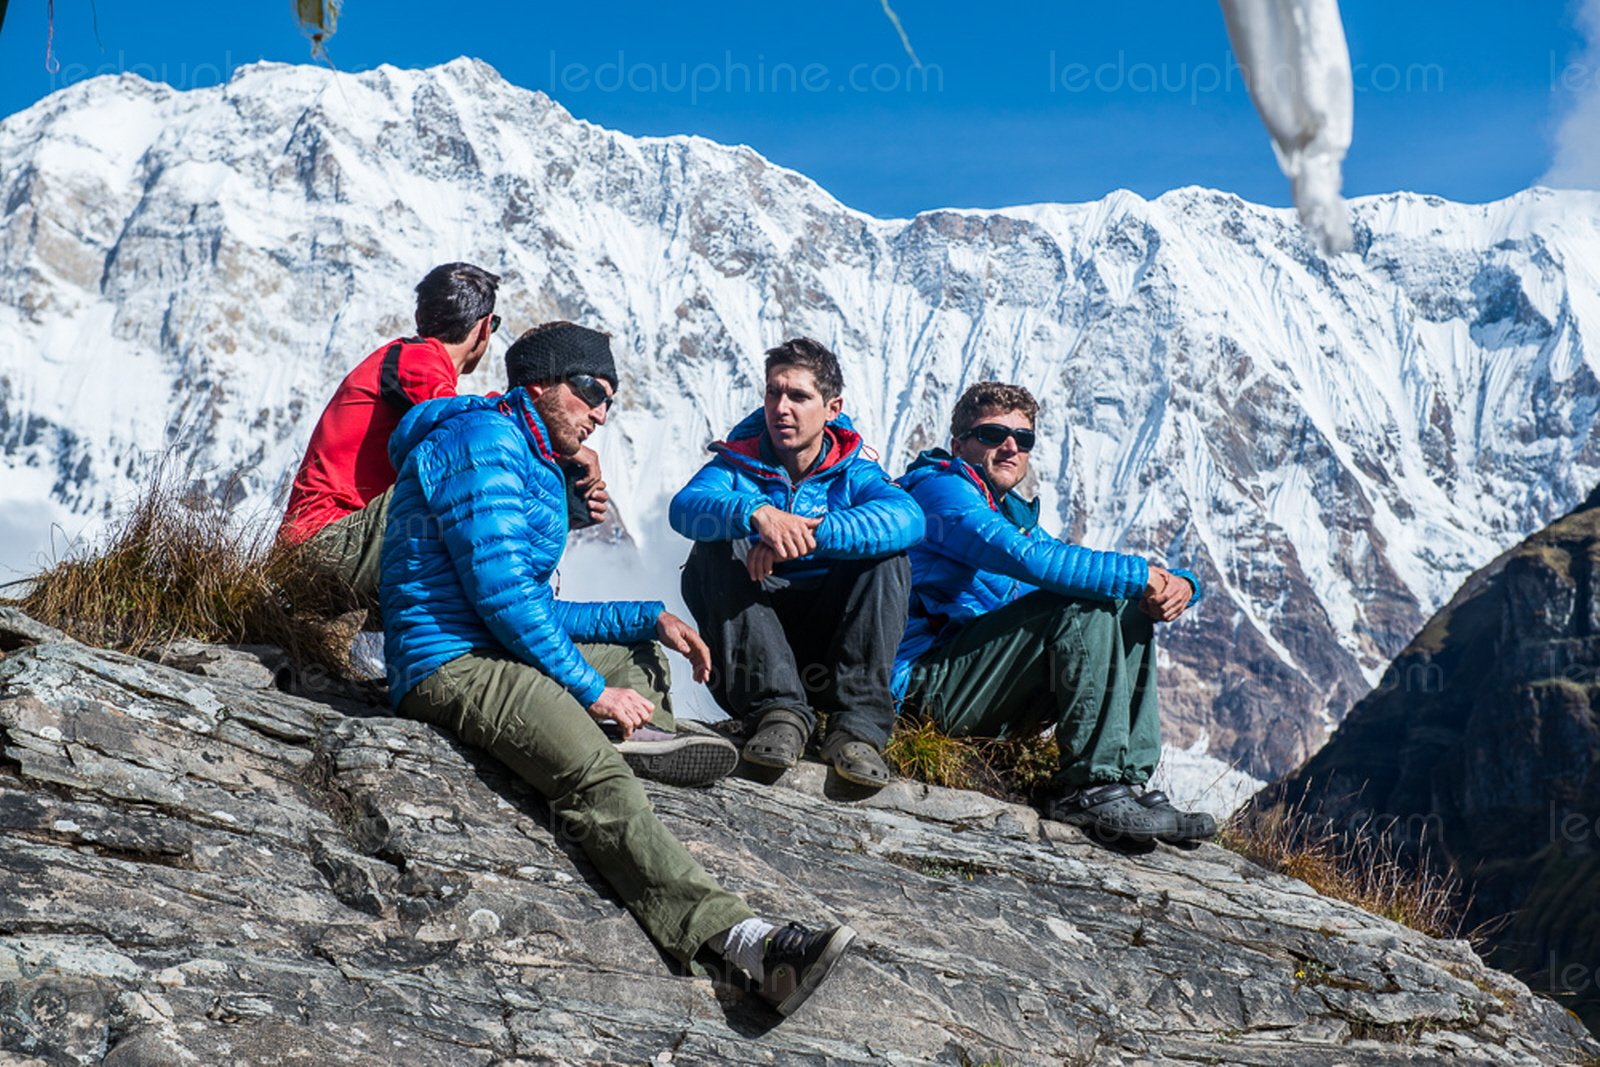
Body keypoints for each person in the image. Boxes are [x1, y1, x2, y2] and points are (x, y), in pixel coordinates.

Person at [379, 320, 855, 1014]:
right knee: (590, 776)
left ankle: (645, 734)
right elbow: (502, 596)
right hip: (450, 661)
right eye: (589, 391)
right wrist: (592, 691)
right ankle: (748, 946)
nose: (600, 410)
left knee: (638, 650)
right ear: (538, 385)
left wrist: (645, 619)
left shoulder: (533, 453)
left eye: (609, 397)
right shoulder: (481, 442)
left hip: (492, 639)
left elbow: (530, 605)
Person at [893, 381, 1212, 845]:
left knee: (1123, 601)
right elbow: (1032, 562)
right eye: (992, 434)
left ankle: (1126, 778)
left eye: (1023, 439)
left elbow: (1069, 561)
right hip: (924, 691)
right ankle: (1089, 787)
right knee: (1082, 600)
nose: (1009, 446)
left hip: (974, 683)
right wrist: (1142, 572)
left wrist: (1183, 584)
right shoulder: (942, 492)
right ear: (958, 444)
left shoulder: (1007, 510)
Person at [279, 263, 605, 613]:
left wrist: (557, 494)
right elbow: (467, 433)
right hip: (323, 543)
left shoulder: (404, 362)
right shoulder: (416, 358)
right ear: (484, 328)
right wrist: (556, 444)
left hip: (329, 544)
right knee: (471, 488)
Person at [669, 337, 921, 787]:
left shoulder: (854, 467)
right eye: (773, 392)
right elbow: (685, 508)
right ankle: (779, 712)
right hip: (753, 657)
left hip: (832, 648)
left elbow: (907, 518)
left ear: (832, 408)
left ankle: (856, 728)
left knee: (887, 557)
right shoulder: (739, 460)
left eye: (799, 396)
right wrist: (757, 515)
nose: (781, 407)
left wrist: (807, 534)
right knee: (712, 547)